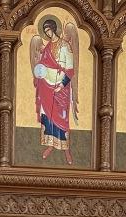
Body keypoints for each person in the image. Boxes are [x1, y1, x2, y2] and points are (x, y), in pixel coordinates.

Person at [31, 18, 77, 165]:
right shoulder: (47, 47)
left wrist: (61, 85)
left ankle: (66, 149)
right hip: (46, 86)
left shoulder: (65, 46)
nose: (47, 33)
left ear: (54, 29)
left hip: (60, 88)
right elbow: (42, 64)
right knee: (48, 116)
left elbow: (70, 70)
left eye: (49, 30)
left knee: (62, 118)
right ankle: (50, 145)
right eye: (45, 31)